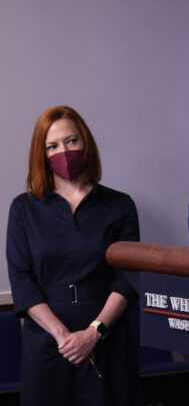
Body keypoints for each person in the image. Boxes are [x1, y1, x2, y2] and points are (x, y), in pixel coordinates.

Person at [6, 106, 140, 406]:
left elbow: (128, 279)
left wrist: (93, 334)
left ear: (86, 143)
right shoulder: (24, 209)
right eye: (52, 146)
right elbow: (22, 280)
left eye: (71, 141)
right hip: (47, 343)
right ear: (41, 155)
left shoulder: (120, 205)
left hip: (106, 340)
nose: (63, 151)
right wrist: (64, 338)